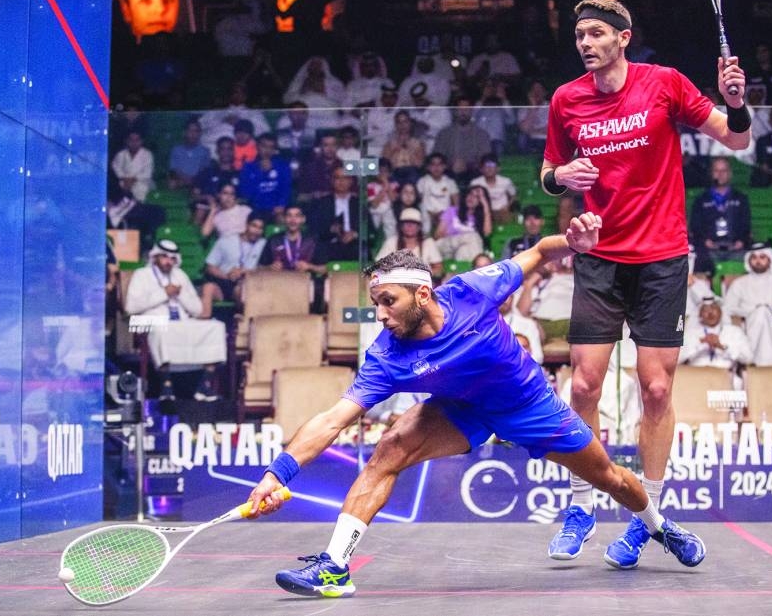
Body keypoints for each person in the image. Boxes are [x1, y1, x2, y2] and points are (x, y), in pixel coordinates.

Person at [246, 213, 705, 597]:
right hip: (460, 409)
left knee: (610, 478)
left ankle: (656, 524)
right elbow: (332, 420)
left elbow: (538, 253)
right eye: (375, 303)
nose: (380, 314)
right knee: (389, 448)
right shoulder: (387, 355)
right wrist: (276, 474)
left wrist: (572, 242)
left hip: (528, 404)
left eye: (388, 301)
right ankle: (334, 567)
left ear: (422, 294)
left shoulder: (472, 291)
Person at [539, 0, 747, 568]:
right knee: (584, 386)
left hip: (661, 259)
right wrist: (562, 175)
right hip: (599, 257)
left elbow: (735, 139)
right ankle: (581, 505)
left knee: (656, 390)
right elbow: (549, 173)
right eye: (580, 35)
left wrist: (736, 105)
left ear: (623, 38)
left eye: (597, 33)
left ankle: (644, 517)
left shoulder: (664, 83)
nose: (586, 43)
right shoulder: (566, 99)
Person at [124, 240, 226, 402]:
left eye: (172, 258)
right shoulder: (141, 275)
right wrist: (164, 293)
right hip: (146, 320)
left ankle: (203, 386)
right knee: (161, 329)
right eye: (164, 257)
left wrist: (180, 294)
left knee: (216, 327)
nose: (168, 262)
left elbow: (197, 310)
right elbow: (130, 308)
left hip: (179, 320)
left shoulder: (180, 275)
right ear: (155, 257)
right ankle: (166, 387)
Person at [723, 243, 772, 366]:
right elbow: (728, 308)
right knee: (761, 313)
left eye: (762, 257)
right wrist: (753, 311)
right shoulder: (739, 283)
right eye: (754, 258)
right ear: (749, 261)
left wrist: (769, 311)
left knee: (763, 312)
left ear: (770, 259)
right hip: (748, 322)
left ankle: (750, 358)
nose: (758, 261)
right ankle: (769, 365)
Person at [200, 213, 267, 318]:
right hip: (224, 282)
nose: (256, 231)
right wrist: (227, 275)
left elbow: (267, 269)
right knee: (208, 288)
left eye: (260, 228)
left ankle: (243, 322)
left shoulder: (264, 244)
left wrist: (244, 272)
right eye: (254, 226)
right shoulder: (226, 241)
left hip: (247, 285)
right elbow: (210, 267)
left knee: (241, 290)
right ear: (246, 225)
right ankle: (203, 321)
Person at [689, 157, 751, 259]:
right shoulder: (700, 200)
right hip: (708, 249)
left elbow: (746, 225)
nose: (720, 174)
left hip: (736, 248)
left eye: (724, 170)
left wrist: (741, 241)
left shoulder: (741, 198)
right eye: (716, 171)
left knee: (749, 258)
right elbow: (695, 227)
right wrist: (705, 241)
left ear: (730, 174)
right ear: (711, 173)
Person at [678, 295, 752, 380]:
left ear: (721, 311)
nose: (710, 313)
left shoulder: (735, 332)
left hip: (727, 377)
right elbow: (677, 360)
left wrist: (722, 347)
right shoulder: (690, 333)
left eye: (713, 308)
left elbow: (748, 358)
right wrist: (700, 344)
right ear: (700, 314)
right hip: (697, 378)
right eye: (705, 310)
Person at [238, 133, 292, 222]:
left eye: (271, 147)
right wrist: (261, 173)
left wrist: (281, 205)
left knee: (283, 219)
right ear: (257, 147)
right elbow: (246, 193)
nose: (267, 150)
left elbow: (286, 189)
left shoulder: (283, 166)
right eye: (264, 146)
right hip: (255, 209)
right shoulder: (248, 167)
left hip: (277, 209)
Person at [375, 207, 443, 278]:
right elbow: (379, 266)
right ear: (401, 226)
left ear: (419, 227)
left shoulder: (428, 243)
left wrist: (421, 275)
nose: (410, 226)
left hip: (422, 282)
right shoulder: (391, 242)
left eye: (413, 223)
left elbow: (439, 268)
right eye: (406, 223)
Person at [435, 185, 492, 261]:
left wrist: (485, 205)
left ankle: (464, 266)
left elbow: (487, 233)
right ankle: (480, 263)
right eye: (470, 194)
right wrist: (459, 237)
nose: (471, 198)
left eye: (477, 197)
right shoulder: (452, 210)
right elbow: (438, 235)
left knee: (463, 251)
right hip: (444, 246)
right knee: (473, 236)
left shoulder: (478, 219)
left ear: (481, 202)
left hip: (457, 252)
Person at [168, 119, 211, 190]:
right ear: (184, 132)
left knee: (203, 181)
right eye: (190, 130)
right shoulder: (176, 150)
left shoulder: (205, 151)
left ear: (200, 134)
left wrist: (193, 180)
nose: (193, 134)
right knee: (172, 183)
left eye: (196, 131)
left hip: (197, 180)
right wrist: (185, 179)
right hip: (180, 179)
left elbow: (203, 170)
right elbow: (174, 169)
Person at [111, 131, 155, 202]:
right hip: (124, 182)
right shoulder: (121, 154)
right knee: (118, 192)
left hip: (142, 182)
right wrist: (124, 178)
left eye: (137, 140)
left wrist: (133, 179)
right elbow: (116, 166)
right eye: (131, 140)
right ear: (127, 141)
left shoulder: (147, 154)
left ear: (141, 141)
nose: (134, 143)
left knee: (142, 191)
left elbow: (148, 172)